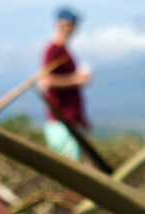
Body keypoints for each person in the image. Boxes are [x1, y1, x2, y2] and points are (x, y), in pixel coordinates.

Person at [40, 7, 91, 160]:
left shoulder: (65, 50)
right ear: (63, 25)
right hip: (60, 122)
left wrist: (81, 119)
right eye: (73, 24)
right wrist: (76, 79)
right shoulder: (54, 50)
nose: (75, 28)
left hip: (71, 120)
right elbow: (47, 81)